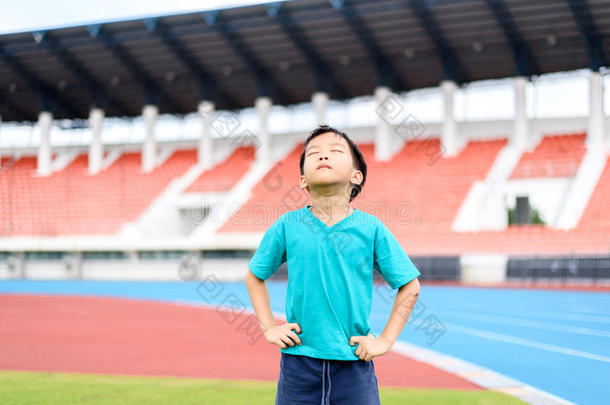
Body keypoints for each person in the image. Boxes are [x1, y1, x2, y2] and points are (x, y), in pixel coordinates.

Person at [245, 124, 421, 405]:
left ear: (356, 176)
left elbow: (410, 286)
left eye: (335, 151)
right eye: (313, 153)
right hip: (298, 365)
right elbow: (255, 276)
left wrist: (384, 341)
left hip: (353, 364)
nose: (322, 156)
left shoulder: (371, 228)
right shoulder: (287, 226)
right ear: (303, 180)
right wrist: (268, 327)